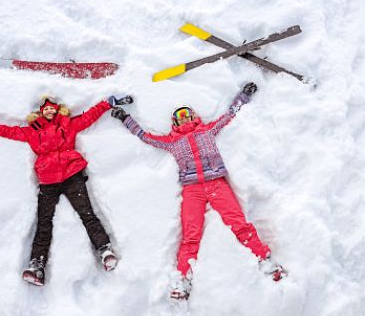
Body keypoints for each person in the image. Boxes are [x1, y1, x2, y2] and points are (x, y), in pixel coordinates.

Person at [111, 83, 286, 300]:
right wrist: (125, 119)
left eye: (187, 114)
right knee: (190, 236)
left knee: (239, 224)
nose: (184, 118)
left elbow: (229, 114)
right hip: (193, 190)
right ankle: (183, 280)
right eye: (180, 116)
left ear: (193, 116)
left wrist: (244, 95)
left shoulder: (207, 131)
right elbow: (146, 137)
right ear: (174, 122)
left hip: (216, 184)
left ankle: (267, 261)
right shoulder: (172, 141)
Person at [0, 94, 132, 286]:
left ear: (58, 110)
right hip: (48, 179)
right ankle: (37, 265)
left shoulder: (68, 124)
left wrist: (107, 103)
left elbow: (89, 116)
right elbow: (8, 131)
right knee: (44, 222)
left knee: (87, 213)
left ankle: (105, 250)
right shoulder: (32, 131)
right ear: (41, 112)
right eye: (46, 109)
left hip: (72, 175)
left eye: (53, 108)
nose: (50, 111)